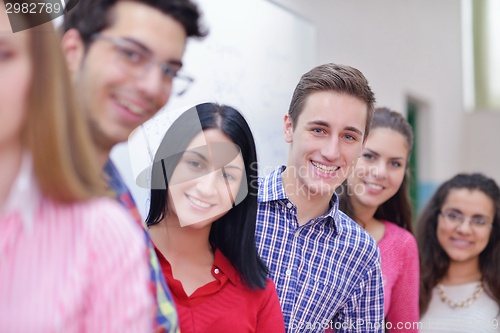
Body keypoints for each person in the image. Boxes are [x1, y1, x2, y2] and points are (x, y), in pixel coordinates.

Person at [0, 8, 152, 332]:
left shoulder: (103, 234)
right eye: (130, 55)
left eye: (3, 54)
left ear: (41, 73)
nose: (149, 87)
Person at [61, 0, 206, 331]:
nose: (152, 87)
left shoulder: (112, 190)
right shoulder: (18, 177)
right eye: (131, 54)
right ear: (72, 51)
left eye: (169, 71)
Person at [255, 63, 384, 332]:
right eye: (319, 130)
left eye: (349, 136)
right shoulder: (233, 206)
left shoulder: (361, 253)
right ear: (289, 127)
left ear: (362, 144)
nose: (331, 151)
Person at [145, 103, 285, 333]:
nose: (207, 188)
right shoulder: (116, 254)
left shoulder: (259, 294)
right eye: (195, 163)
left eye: (227, 175)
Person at [336, 107, 419, 331]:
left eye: (395, 163)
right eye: (370, 156)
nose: (381, 172)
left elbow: (404, 328)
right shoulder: (313, 222)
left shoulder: (402, 244)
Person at [418, 173, 500, 332]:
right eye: (454, 216)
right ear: (436, 218)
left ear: (494, 230)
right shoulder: (410, 285)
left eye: (479, 221)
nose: (464, 229)